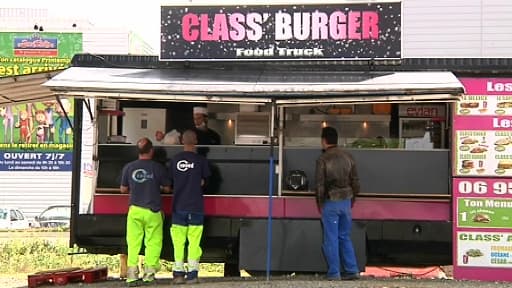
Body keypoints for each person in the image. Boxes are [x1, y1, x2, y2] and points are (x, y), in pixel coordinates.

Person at [120, 137, 171, 286]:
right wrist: (158, 187)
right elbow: (167, 188)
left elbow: (123, 189)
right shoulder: (157, 168)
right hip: (153, 211)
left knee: (133, 244)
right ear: (151, 151)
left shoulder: (129, 167)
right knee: (153, 243)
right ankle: (148, 275)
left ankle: (131, 277)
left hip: (135, 211)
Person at [315, 127, 360, 281]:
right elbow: (356, 181)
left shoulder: (323, 159)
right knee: (344, 237)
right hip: (346, 201)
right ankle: (352, 270)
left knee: (331, 238)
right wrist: (352, 199)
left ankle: (334, 273)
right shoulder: (348, 156)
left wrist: (320, 204)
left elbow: (320, 185)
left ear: (324, 140)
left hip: (331, 202)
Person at [168, 130, 211, 284]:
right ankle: (192, 274)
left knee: (178, 242)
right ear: (196, 141)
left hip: (178, 206)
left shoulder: (174, 160)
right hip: (196, 206)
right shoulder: (201, 161)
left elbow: (169, 182)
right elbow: (204, 182)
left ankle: (178, 274)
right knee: (194, 241)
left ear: (181, 141)